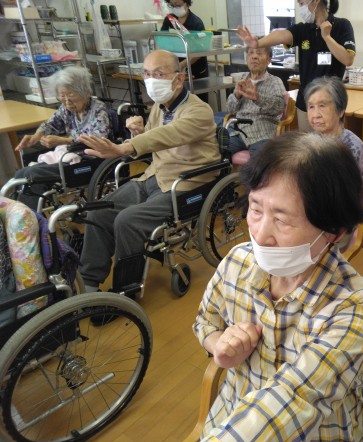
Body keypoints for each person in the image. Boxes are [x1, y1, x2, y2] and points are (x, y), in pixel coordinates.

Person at [192, 132, 363, 442]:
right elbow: (205, 321)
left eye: (282, 220)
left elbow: (295, 397)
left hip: (321, 437)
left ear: (333, 232)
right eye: (256, 209)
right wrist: (220, 347)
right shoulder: (237, 262)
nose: (260, 234)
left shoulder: (356, 308)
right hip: (232, 414)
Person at [77, 50, 220, 296]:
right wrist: (138, 133)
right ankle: (88, 284)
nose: (151, 80)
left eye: (159, 74)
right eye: (146, 74)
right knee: (98, 211)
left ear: (179, 79)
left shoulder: (199, 111)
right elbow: (155, 139)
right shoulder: (159, 108)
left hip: (185, 184)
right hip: (153, 177)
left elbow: (170, 134)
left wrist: (125, 147)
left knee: (127, 221)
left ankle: (127, 291)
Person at [237, 0, 355, 132]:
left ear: (316, 1)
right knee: (306, 143)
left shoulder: (342, 25)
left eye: (302, 3)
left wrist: (327, 37)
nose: (301, 8)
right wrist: (258, 43)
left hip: (331, 102)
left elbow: (348, 59)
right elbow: (280, 35)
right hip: (306, 103)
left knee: (329, 143)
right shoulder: (303, 29)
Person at [12, 66, 112, 209]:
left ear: (86, 92)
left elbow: (99, 138)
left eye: (70, 95)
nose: (66, 101)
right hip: (70, 157)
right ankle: (16, 215)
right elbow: (50, 124)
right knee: (21, 173)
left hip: (89, 160)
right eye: (62, 96)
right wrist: (36, 136)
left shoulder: (99, 109)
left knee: (33, 175)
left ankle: (26, 218)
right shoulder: (66, 109)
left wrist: (64, 140)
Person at [225, 45, 286, 156]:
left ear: (268, 60)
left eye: (259, 53)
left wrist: (258, 98)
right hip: (238, 132)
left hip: (262, 133)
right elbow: (230, 109)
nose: (254, 57)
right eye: (251, 53)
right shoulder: (242, 79)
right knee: (218, 152)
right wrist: (237, 95)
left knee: (260, 161)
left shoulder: (275, 81)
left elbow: (279, 107)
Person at [305, 75, 363, 174]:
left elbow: (341, 182)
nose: (315, 115)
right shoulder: (309, 140)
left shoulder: (350, 146)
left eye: (322, 106)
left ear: (340, 111)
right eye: (311, 107)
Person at [160, 0, 208, 102]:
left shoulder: (196, 23)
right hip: (176, 71)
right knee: (178, 102)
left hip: (195, 71)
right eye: (172, 5)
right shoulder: (169, 20)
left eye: (178, 5)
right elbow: (163, 41)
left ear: (187, 3)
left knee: (197, 103)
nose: (175, 7)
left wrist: (181, 65)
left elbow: (200, 50)